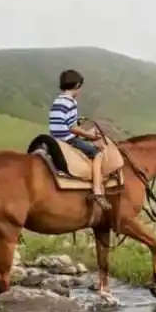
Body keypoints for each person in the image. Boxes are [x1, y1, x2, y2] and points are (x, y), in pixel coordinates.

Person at [49, 69, 112, 210]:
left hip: (55, 138)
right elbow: (71, 127)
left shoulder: (58, 100)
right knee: (98, 153)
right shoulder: (71, 102)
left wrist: (78, 122)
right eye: (80, 86)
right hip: (67, 139)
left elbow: (64, 122)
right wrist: (89, 135)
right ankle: (97, 191)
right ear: (77, 85)